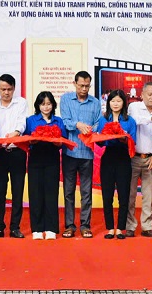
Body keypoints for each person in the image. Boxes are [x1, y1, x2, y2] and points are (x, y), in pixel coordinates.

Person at [60, 70, 101, 238]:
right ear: (74, 83)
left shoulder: (95, 102)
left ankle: (85, 225)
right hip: (70, 152)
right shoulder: (65, 99)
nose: (84, 89)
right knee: (68, 192)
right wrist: (78, 125)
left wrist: (91, 129)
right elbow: (64, 121)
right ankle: (69, 226)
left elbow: (98, 123)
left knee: (86, 192)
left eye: (87, 86)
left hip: (87, 153)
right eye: (81, 85)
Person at [0, 74, 28, 239]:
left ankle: (15, 227)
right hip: (0, 153)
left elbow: (22, 122)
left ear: (14, 88)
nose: (6, 92)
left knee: (17, 191)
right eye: (3, 89)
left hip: (17, 151)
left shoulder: (21, 103)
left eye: (9, 89)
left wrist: (16, 133)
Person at [25, 91, 66, 240]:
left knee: (51, 193)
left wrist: (58, 142)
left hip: (52, 159)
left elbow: (64, 140)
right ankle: (37, 229)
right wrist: (32, 140)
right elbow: (25, 139)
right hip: (35, 159)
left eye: (49, 104)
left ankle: (51, 228)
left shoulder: (58, 121)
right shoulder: (31, 120)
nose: (46, 107)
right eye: (43, 104)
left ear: (53, 105)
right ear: (38, 105)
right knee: (35, 194)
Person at [97, 89, 137, 240]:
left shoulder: (129, 121)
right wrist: (101, 138)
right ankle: (110, 228)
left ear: (123, 103)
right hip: (108, 158)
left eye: (119, 101)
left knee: (123, 195)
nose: (115, 104)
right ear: (108, 103)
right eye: (113, 101)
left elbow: (133, 142)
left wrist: (123, 139)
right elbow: (99, 142)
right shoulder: (103, 119)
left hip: (123, 159)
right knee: (107, 196)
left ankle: (120, 228)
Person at [126, 82, 152, 238]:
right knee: (130, 195)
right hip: (133, 158)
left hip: (150, 159)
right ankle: (129, 226)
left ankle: (147, 226)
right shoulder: (134, 107)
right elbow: (135, 121)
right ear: (142, 94)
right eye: (150, 94)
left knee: (148, 196)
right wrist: (151, 118)